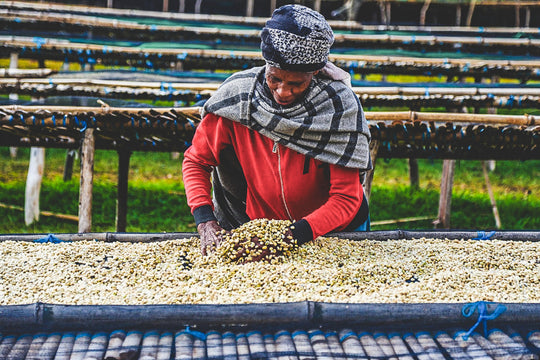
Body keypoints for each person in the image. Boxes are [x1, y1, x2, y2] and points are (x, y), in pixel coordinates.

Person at [182, 4, 371, 257]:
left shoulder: (337, 107)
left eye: (296, 83)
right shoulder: (239, 100)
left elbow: (346, 198)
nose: (283, 91)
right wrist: (205, 220)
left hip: (336, 231)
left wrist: (291, 237)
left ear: (314, 74)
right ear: (266, 67)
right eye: (275, 79)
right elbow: (196, 161)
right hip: (261, 229)